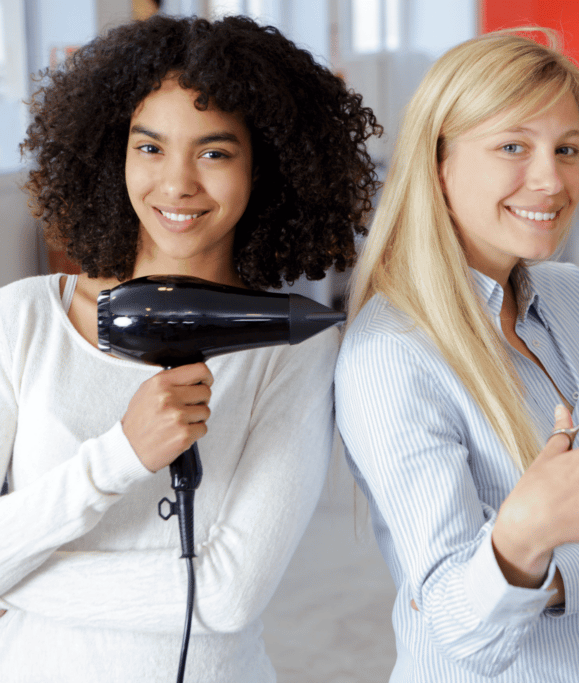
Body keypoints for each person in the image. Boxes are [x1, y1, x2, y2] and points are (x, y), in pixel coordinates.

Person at [0, 14, 378, 681]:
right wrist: (121, 455)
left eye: (214, 152)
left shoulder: (292, 349)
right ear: (113, 154)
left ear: (264, 166)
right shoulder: (25, 319)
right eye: (150, 147)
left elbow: (230, 593)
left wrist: (16, 575)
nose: (177, 183)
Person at [335, 29, 579, 682]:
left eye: (567, 149)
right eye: (513, 146)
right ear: (438, 162)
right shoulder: (390, 355)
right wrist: (528, 534)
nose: (551, 180)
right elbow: (462, 627)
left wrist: (545, 568)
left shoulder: (575, 296)